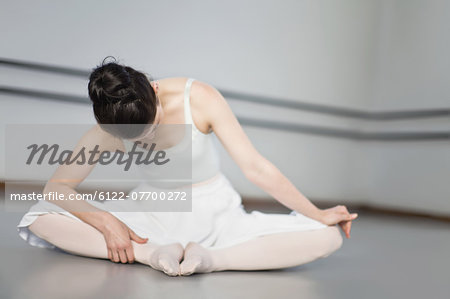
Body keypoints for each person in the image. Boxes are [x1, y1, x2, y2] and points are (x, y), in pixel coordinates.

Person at [17, 58, 358, 276]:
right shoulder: (111, 125)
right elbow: (56, 188)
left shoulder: (199, 98)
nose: (147, 138)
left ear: (154, 90)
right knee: (39, 216)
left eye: (152, 125)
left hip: (214, 212)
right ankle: (150, 254)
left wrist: (318, 213)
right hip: (150, 213)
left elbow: (255, 167)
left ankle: (211, 259)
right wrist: (105, 221)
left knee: (327, 238)